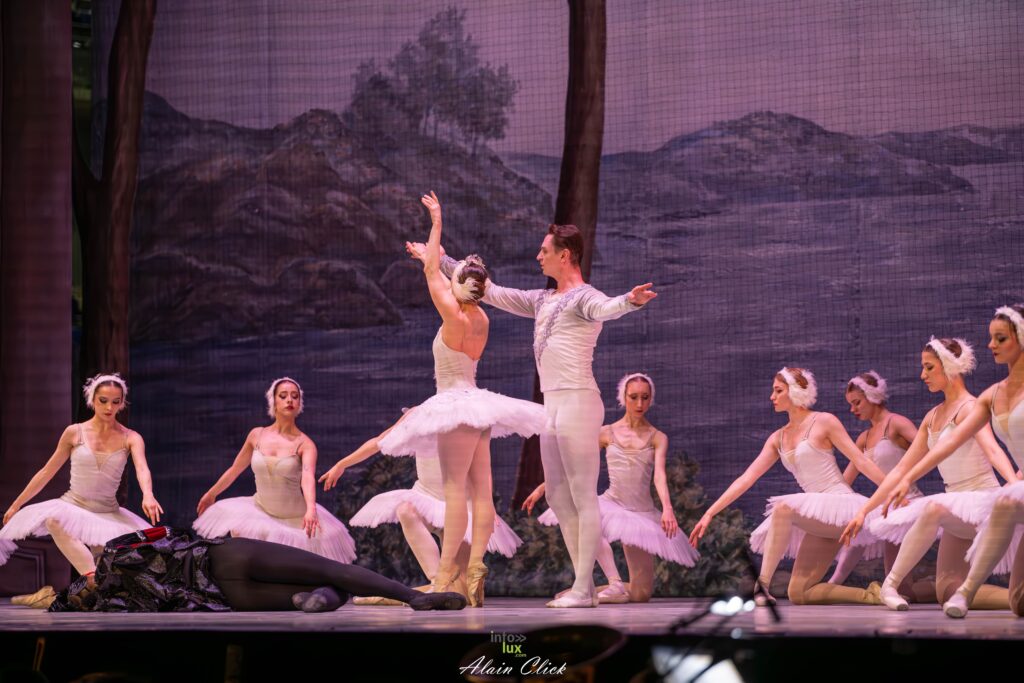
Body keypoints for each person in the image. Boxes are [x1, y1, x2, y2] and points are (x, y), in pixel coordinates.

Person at [427, 211, 656, 608]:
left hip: (578, 401)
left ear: (565, 255)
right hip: (552, 405)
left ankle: (583, 589)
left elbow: (606, 307)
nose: (538, 256)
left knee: (582, 495)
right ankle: (584, 583)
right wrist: (440, 259)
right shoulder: (542, 299)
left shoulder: (584, 297)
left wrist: (629, 302)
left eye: (544, 251)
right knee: (560, 498)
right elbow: (492, 291)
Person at [389, 193, 547, 606]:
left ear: (458, 285)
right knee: (482, 492)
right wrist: (433, 253)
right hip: (478, 405)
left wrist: (436, 222)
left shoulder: (453, 314)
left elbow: (432, 272)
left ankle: (444, 574)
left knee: (455, 490)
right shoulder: (482, 318)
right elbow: (442, 272)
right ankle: (475, 567)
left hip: (453, 406)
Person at [864, 308, 1024, 618]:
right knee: (961, 593)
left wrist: (1012, 483)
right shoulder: (982, 399)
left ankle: (897, 585)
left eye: (1000, 338)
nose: (991, 345)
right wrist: (872, 505)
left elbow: (993, 451)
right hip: (961, 499)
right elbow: (938, 450)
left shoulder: (970, 404)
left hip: (982, 497)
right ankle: (961, 593)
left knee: (938, 509)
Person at [689, 367, 888, 605]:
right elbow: (747, 478)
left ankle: (761, 586)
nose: (772, 397)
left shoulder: (823, 421)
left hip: (839, 506)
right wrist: (710, 513)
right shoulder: (778, 438)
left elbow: (861, 461)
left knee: (783, 509)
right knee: (799, 593)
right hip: (817, 514)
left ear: (795, 391)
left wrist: (894, 488)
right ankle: (871, 595)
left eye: (778, 391)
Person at [524, 373, 698, 603]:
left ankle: (598, 591)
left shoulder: (658, 437)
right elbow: (576, 466)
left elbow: (659, 476)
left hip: (641, 513)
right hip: (612, 503)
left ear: (651, 399)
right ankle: (611, 583)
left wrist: (667, 508)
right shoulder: (606, 432)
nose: (639, 403)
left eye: (645, 397)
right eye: (633, 397)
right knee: (586, 518)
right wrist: (542, 488)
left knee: (641, 594)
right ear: (623, 397)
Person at [319, 409, 522, 604]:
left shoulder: (467, 417)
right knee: (405, 509)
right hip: (426, 499)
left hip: (462, 507)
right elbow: (380, 441)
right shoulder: (419, 414)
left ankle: (395, 596)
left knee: (463, 593)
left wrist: (486, 505)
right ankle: (436, 580)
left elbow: (483, 470)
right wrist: (342, 464)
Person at [1, 373, 162, 607]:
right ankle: (91, 580)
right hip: (74, 506)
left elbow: (142, 469)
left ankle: (49, 597)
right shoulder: (75, 432)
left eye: (115, 402)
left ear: (122, 403)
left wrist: (148, 494)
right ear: (92, 400)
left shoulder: (131, 437)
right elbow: (46, 472)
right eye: (103, 401)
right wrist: (16, 505)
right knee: (54, 521)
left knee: (116, 582)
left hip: (107, 513)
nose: (109, 407)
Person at [41, 526, 466, 613]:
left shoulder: (119, 606)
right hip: (224, 557)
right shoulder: (115, 550)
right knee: (333, 570)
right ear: (86, 578)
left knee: (318, 591)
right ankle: (415, 597)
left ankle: (315, 599)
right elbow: (167, 531)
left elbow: (177, 604)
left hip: (230, 597)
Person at [193, 377, 356, 563]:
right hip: (260, 511)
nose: (289, 400)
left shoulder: (305, 444)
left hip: (293, 519)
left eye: (295, 396)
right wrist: (211, 494)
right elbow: (235, 469)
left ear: (299, 403)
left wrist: (311, 509)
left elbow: (308, 477)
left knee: (286, 567)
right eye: (283, 396)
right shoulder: (257, 435)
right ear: (274, 401)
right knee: (251, 561)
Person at [827, 371, 921, 589]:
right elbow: (845, 479)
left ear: (872, 396)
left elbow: (928, 450)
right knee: (859, 524)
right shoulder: (864, 438)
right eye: (850, 404)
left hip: (908, 502)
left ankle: (946, 590)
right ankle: (833, 583)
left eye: (857, 403)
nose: (853, 410)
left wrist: (907, 479)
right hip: (884, 505)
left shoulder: (897, 423)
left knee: (900, 588)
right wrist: (823, 501)